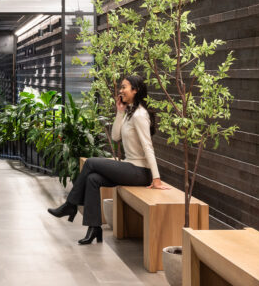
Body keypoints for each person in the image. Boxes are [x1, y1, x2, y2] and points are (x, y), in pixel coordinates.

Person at [47, 74, 169, 245]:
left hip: (140, 171)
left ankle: (70, 205)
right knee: (92, 179)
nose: (121, 90)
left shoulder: (140, 114)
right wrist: (119, 112)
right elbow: (115, 136)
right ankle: (94, 228)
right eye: (121, 87)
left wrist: (156, 178)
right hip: (130, 167)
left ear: (136, 90)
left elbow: (148, 147)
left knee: (90, 163)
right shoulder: (129, 112)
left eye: (125, 87)